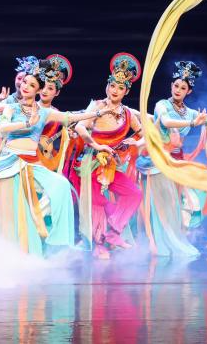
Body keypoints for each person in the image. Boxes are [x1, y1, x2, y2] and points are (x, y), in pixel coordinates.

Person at [134, 60, 207, 256]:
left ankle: (173, 240)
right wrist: (191, 123)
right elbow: (166, 121)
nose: (178, 90)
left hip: (176, 162)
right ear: (171, 85)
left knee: (178, 203)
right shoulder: (162, 105)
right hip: (157, 160)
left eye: (183, 88)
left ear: (188, 91)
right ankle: (160, 245)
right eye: (176, 86)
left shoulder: (190, 113)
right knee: (162, 204)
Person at [0, 58, 105, 255]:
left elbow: (70, 117)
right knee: (13, 211)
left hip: (32, 164)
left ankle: (51, 235)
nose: (25, 86)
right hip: (10, 163)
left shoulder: (44, 112)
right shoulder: (12, 107)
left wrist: (97, 113)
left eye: (31, 85)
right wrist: (26, 124)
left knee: (61, 185)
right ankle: (13, 251)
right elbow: (3, 127)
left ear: (38, 90)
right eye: (25, 82)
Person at [70, 53, 147, 259]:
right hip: (91, 162)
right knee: (97, 201)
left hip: (111, 166)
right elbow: (80, 127)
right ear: (107, 85)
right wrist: (97, 145)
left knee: (134, 194)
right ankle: (99, 244)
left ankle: (114, 232)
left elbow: (147, 135)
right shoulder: (97, 107)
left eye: (120, 88)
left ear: (126, 91)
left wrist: (136, 143)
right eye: (112, 85)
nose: (115, 90)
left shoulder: (128, 114)